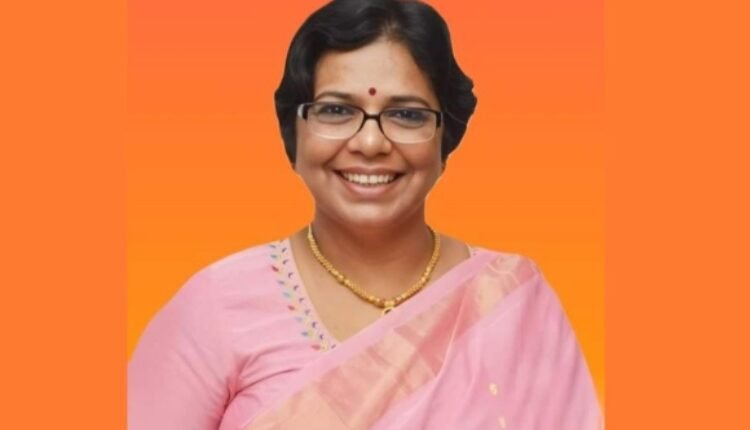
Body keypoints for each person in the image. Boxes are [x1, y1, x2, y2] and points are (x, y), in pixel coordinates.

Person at [128, 0, 602, 429]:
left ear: (446, 136)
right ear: (295, 132)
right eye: (336, 110)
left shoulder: (509, 300)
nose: (371, 143)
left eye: (407, 114)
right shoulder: (219, 305)